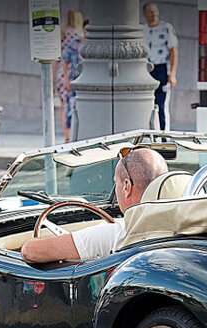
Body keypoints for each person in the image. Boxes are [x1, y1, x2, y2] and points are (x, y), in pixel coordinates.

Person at [22, 147, 168, 263]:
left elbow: (30, 251)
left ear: (126, 187)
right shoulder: (176, 225)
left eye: (116, 183)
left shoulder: (115, 233)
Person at [142, 4, 177, 131]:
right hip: (145, 69)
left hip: (161, 67)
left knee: (161, 104)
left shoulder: (166, 28)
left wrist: (172, 74)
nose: (153, 15)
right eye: (150, 12)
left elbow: (173, 50)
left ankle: (163, 135)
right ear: (144, 14)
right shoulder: (142, 30)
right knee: (147, 104)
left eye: (155, 12)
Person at [54, 10, 85, 142]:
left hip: (62, 73)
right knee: (73, 103)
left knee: (65, 104)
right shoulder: (79, 35)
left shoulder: (61, 34)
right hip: (74, 72)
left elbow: (57, 59)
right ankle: (72, 134)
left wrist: (54, 76)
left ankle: (67, 134)